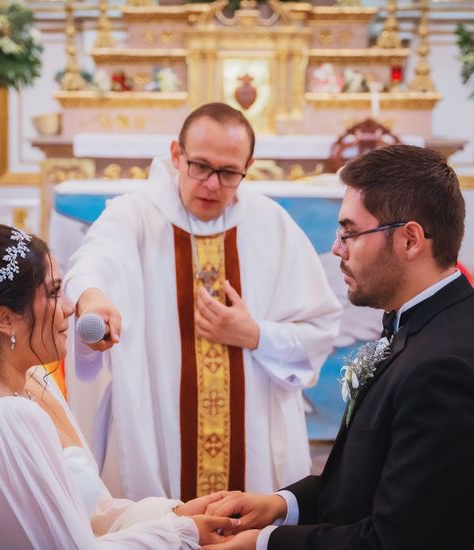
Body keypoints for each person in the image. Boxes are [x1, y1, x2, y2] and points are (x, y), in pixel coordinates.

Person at [203, 145, 474, 549]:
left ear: (410, 240)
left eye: (350, 232)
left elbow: (396, 541)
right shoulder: (426, 319)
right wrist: (282, 505)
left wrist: (263, 544)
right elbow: (373, 476)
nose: (338, 248)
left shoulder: (447, 371)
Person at [0, 224, 238, 549]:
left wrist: (173, 513)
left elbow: (85, 516)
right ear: (5, 319)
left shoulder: (30, 385)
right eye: (53, 293)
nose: (69, 308)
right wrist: (182, 535)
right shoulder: (4, 421)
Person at [64, 103, 342, 502]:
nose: (212, 184)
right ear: (176, 155)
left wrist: (255, 335)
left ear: (249, 165)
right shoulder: (133, 216)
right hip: (159, 429)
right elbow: (90, 264)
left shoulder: (272, 225)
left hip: (255, 431)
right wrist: (92, 297)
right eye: (200, 166)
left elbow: (320, 328)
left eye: (228, 173)